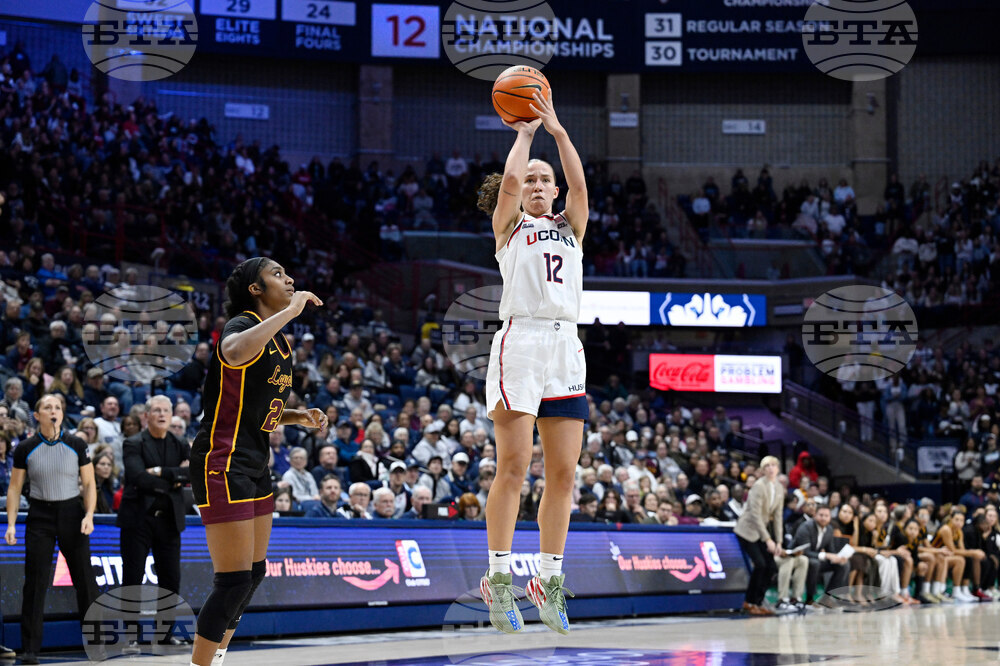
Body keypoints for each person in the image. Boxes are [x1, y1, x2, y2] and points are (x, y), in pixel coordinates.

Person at [477, 86, 588, 635]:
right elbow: (513, 180)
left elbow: (581, 184)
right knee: (515, 466)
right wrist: (524, 133)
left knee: (564, 473)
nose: (539, 184)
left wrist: (559, 131)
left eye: (548, 179)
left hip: (566, 346)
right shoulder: (509, 228)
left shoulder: (572, 229)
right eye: (533, 180)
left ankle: (548, 581)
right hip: (520, 343)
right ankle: (499, 583)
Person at [188, 258, 327, 666]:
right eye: (278, 275)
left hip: (255, 461)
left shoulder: (279, 342)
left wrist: (297, 415)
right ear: (255, 288)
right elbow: (231, 353)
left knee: (254, 573)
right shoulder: (242, 324)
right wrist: (289, 312)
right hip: (221, 459)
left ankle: (218, 658)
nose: (290, 280)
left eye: (288, 275)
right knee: (232, 581)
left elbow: (255, 405)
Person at [5, 395, 99, 664]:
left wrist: (90, 515)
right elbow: (14, 487)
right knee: (35, 583)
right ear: (37, 416)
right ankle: (30, 648)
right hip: (40, 516)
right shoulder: (25, 447)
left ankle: (96, 644)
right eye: (47, 407)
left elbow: (90, 483)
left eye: (57, 407)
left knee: (86, 582)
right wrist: (11, 524)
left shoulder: (77, 444)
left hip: (72, 512)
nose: (53, 411)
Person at [116, 395, 191, 643]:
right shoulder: (133, 443)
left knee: (171, 578)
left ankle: (165, 633)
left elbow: (192, 472)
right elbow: (138, 477)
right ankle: (130, 633)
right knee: (133, 577)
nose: (161, 414)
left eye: (166, 411)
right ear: (146, 416)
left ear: (172, 416)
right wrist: (173, 480)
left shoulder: (180, 443)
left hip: (169, 520)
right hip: (138, 519)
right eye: (156, 410)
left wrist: (160, 472)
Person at [733, 456, 783, 616]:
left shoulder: (780, 489)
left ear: (778, 468)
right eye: (767, 465)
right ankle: (749, 601)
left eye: (773, 465)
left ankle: (759, 601)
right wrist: (768, 539)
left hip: (762, 531)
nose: (770, 468)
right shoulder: (758, 486)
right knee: (760, 564)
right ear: (762, 470)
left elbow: (778, 516)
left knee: (772, 567)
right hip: (747, 530)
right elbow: (755, 515)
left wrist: (779, 541)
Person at [791, 504, 850, 606]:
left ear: (830, 517)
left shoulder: (829, 529)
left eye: (826, 516)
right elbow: (805, 551)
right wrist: (826, 555)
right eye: (821, 515)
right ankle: (810, 599)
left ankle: (827, 597)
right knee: (815, 563)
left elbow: (830, 550)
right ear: (815, 515)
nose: (823, 518)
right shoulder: (806, 527)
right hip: (800, 558)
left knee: (844, 565)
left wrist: (838, 558)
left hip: (817, 558)